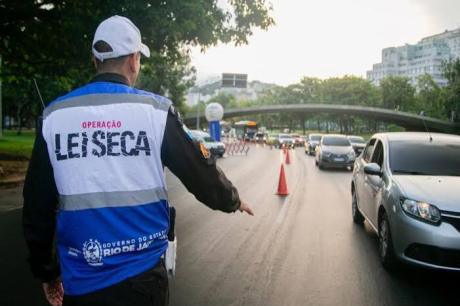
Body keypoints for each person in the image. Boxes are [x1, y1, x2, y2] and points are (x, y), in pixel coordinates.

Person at [23, 15, 253, 306]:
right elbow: (199, 171)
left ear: (95, 60)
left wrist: (47, 271)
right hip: (143, 280)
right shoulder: (155, 112)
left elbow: (36, 207)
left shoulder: (54, 117)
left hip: (80, 282)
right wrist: (232, 199)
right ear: (134, 60)